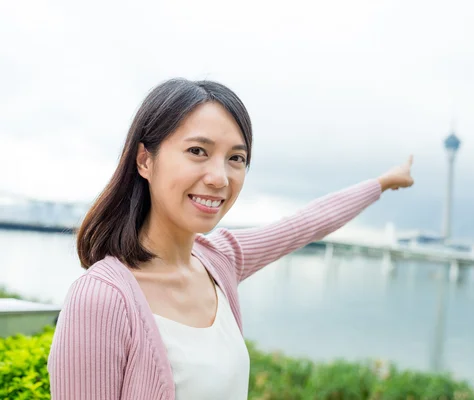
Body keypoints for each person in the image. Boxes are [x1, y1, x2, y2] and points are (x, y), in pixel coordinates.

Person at [47, 78, 414, 400]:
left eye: (236, 158)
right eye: (197, 151)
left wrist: (381, 183)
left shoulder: (219, 262)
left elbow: (305, 224)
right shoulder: (101, 299)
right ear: (145, 160)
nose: (220, 177)